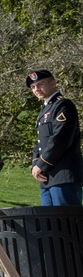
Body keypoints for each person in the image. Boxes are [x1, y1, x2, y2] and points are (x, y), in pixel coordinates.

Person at [27, 70, 83, 206]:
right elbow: (39, 142)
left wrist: (41, 164)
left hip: (64, 175)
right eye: (33, 87)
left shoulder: (63, 105)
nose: (36, 89)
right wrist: (35, 164)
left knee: (68, 223)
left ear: (53, 83)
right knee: (50, 224)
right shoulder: (45, 110)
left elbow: (60, 139)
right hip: (47, 178)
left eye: (40, 84)